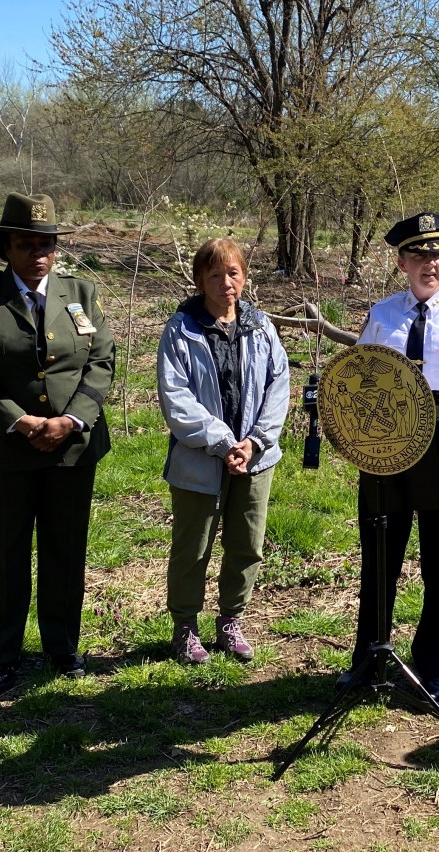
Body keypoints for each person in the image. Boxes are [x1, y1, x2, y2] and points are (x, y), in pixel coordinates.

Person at [0, 192, 115, 695]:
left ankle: (62, 647)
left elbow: (101, 361)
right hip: (4, 449)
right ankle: (3, 655)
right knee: (7, 553)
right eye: (26, 244)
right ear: (6, 247)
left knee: (66, 549)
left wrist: (73, 421)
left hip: (72, 448)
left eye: (46, 244)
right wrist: (20, 422)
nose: (37, 254)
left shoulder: (81, 293)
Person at [337, 212, 439, 702]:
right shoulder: (383, 315)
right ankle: (369, 660)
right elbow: (357, 375)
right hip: (385, 454)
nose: (428, 264)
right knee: (379, 562)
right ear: (401, 262)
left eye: (437, 254)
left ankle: (433, 668)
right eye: (418, 255)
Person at [157, 238, 290, 664]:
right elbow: (175, 399)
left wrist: (254, 442)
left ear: (244, 277)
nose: (225, 282)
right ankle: (185, 626)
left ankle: (231, 620)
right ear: (199, 280)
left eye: (233, 273)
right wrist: (223, 441)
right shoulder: (181, 330)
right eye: (214, 274)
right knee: (193, 548)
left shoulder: (261, 326)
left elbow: (278, 387)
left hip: (256, 459)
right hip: (199, 460)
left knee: (247, 544)